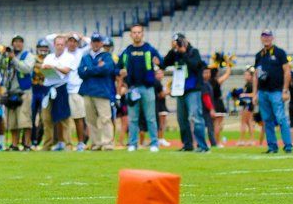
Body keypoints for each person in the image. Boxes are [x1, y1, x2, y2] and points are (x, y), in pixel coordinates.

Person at [117, 23, 162, 152]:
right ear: (130, 35)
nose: (136, 35)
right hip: (132, 89)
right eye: (134, 32)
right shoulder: (127, 51)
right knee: (133, 118)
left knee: (151, 117)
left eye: (139, 32)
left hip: (148, 88)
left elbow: (162, 62)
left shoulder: (150, 49)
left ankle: (154, 143)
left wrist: (159, 63)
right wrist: (120, 72)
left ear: (142, 34)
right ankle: (132, 143)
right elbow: (117, 67)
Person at [161, 32, 209, 152]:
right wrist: (173, 50)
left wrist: (184, 53)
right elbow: (164, 63)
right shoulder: (175, 54)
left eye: (179, 41)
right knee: (182, 119)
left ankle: (202, 146)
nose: (178, 44)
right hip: (179, 90)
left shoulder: (193, 52)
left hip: (193, 89)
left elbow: (195, 66)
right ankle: (187, 145)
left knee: (195, 117)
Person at [253, 30, 293, 154]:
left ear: (272, 38)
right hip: (263, 92)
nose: (266, 38)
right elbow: (256, 75)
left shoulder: (280, 53)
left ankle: (288, 145)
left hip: (276, 91)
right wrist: (255, 93)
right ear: (261, 38)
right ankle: (272, 146)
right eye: (264, 36)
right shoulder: (259, 55)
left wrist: (285, 90)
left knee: (281, 118)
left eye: (268, 36)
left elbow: (287, 71)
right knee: (267, 120)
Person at [78, 34, 116, 151]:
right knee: (91, 120)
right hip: (88, 91)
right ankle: (96, 143)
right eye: (94, 41)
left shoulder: (107, 56)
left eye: (98, 42)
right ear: (91, 43)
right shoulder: (85, 57)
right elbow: (81, 72)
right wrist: (96, 68)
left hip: (102, 91)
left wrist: (89, 69)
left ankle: (107, 142)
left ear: (101, 43)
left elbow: (107, 69)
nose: (95, 44)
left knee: (105, 118)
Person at [40, 36, 73, 150]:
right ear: (54, 45)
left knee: (64, 117)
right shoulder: (49, 57)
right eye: (57, 44)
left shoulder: (68, 57)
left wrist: (54, 67)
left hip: (61, 87)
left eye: (62, 44)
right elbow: (43, 68)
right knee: (46, 118)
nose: (59, 47)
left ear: (65, 45)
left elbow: (66, 70)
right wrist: (45, 67)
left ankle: (68, 144)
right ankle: (47, 144)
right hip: (48, 87)